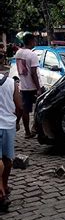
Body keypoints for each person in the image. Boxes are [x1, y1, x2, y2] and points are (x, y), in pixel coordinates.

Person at [0, 72, 23, 211]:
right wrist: (17, 122)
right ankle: (5, 185)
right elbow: (20, 107)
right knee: (7, 158)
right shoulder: (10, 83)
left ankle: (1, 189)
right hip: (8, 125)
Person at [13, 34, 43, 138]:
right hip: (33, 86)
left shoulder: (18, 53)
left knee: (25, 109)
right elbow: (34, 73)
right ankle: (35, 128)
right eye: (34, 40)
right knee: (41, 107)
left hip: (23, 85)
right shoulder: (32, 54)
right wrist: (39, 88)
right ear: (30, 41)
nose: (35, 42)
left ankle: (27, 131)